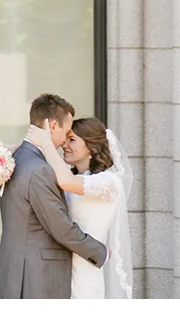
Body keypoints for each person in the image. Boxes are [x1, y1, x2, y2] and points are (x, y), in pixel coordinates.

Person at [0, 93, 107, 298]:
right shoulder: (40, 170)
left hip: (14, 269)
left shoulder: (13, 159)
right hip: (36, 276)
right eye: (66, 132)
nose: (64, 141)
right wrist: (100, 253)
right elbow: (61, 227)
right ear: (53, 126)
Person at [27, 115, 135, 299]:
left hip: (86, 268)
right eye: (65, 139)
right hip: (60, 268)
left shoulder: (108, 182)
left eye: (72, 140)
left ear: (91, 147)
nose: (64, 145)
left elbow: (67, 182)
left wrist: (46, 144)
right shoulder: (73, 177)